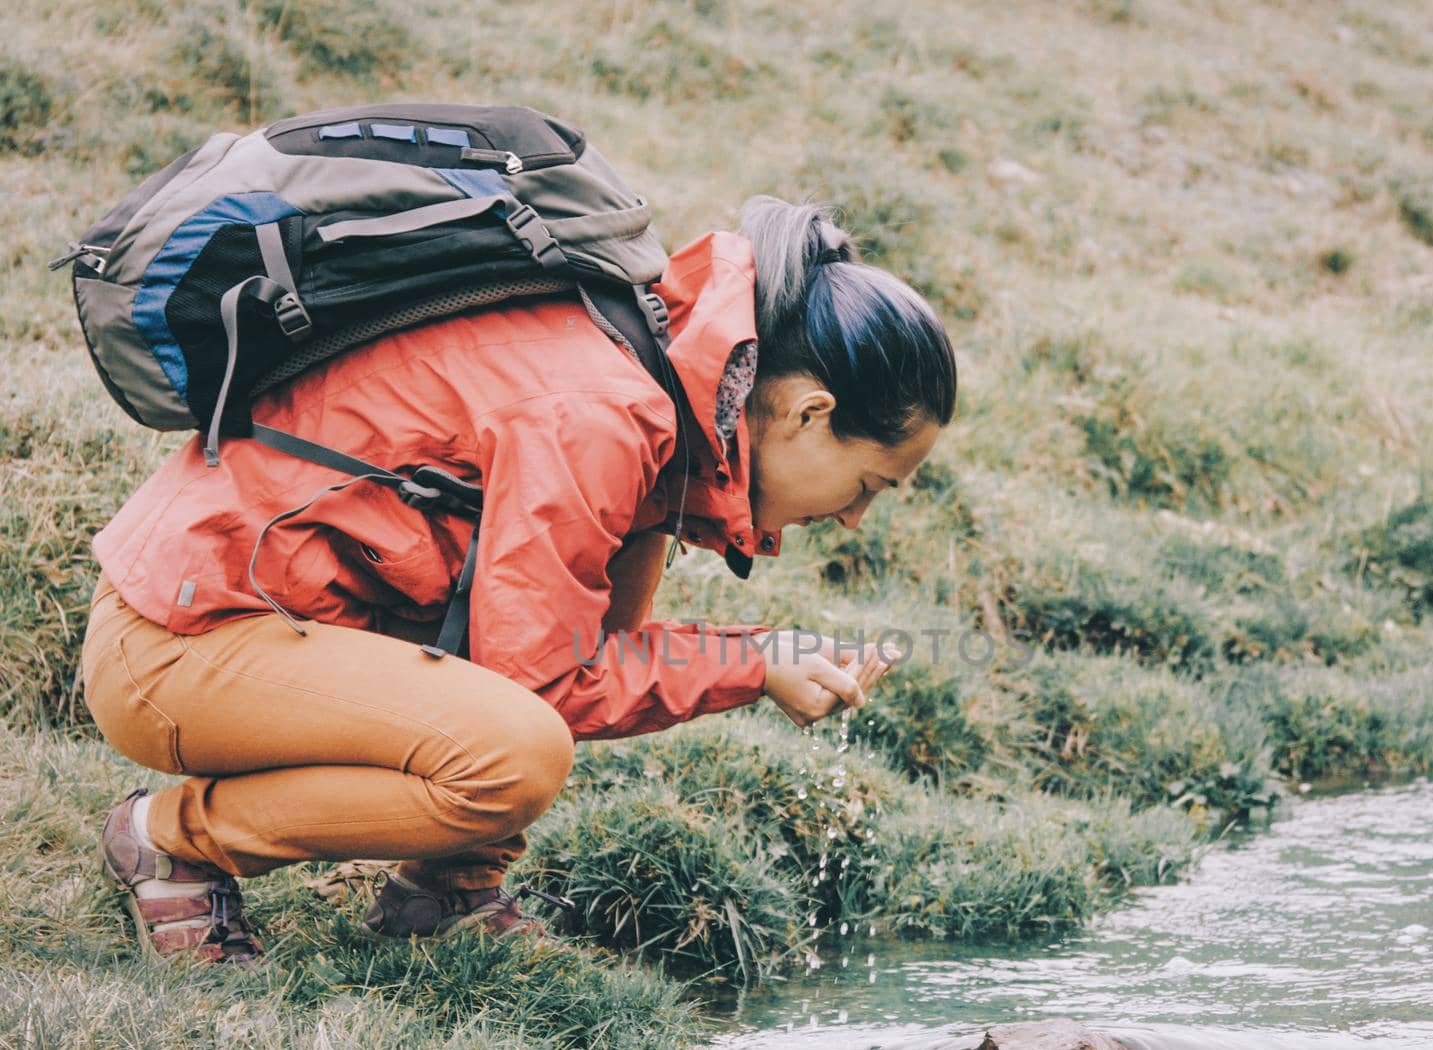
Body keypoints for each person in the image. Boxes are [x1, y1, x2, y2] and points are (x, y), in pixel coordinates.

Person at [81, 196, 958, 965]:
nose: (851, 520)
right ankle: (171, 841)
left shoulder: (650, 394)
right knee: (516, 755)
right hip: (178, 644)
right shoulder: (602, 416)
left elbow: (572, 642)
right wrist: (755, 662)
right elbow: (542, 684)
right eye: (869, 487)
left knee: (614, 574)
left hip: (281, 625)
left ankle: (447, 889)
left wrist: (760, 656)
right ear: (811, 414)